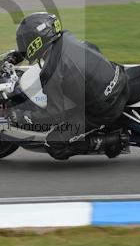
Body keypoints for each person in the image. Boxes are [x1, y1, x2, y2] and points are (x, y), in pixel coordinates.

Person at [7, 12, 130, 159]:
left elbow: (56, 115)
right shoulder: (65, 37)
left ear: (36, 42)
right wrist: (16, 56)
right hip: (118, 77)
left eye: (25, 42)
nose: (23, 45)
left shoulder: (52, 71)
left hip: (104, 108)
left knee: (54, 145)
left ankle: (114, 140)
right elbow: (93, 48)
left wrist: (24, 116)